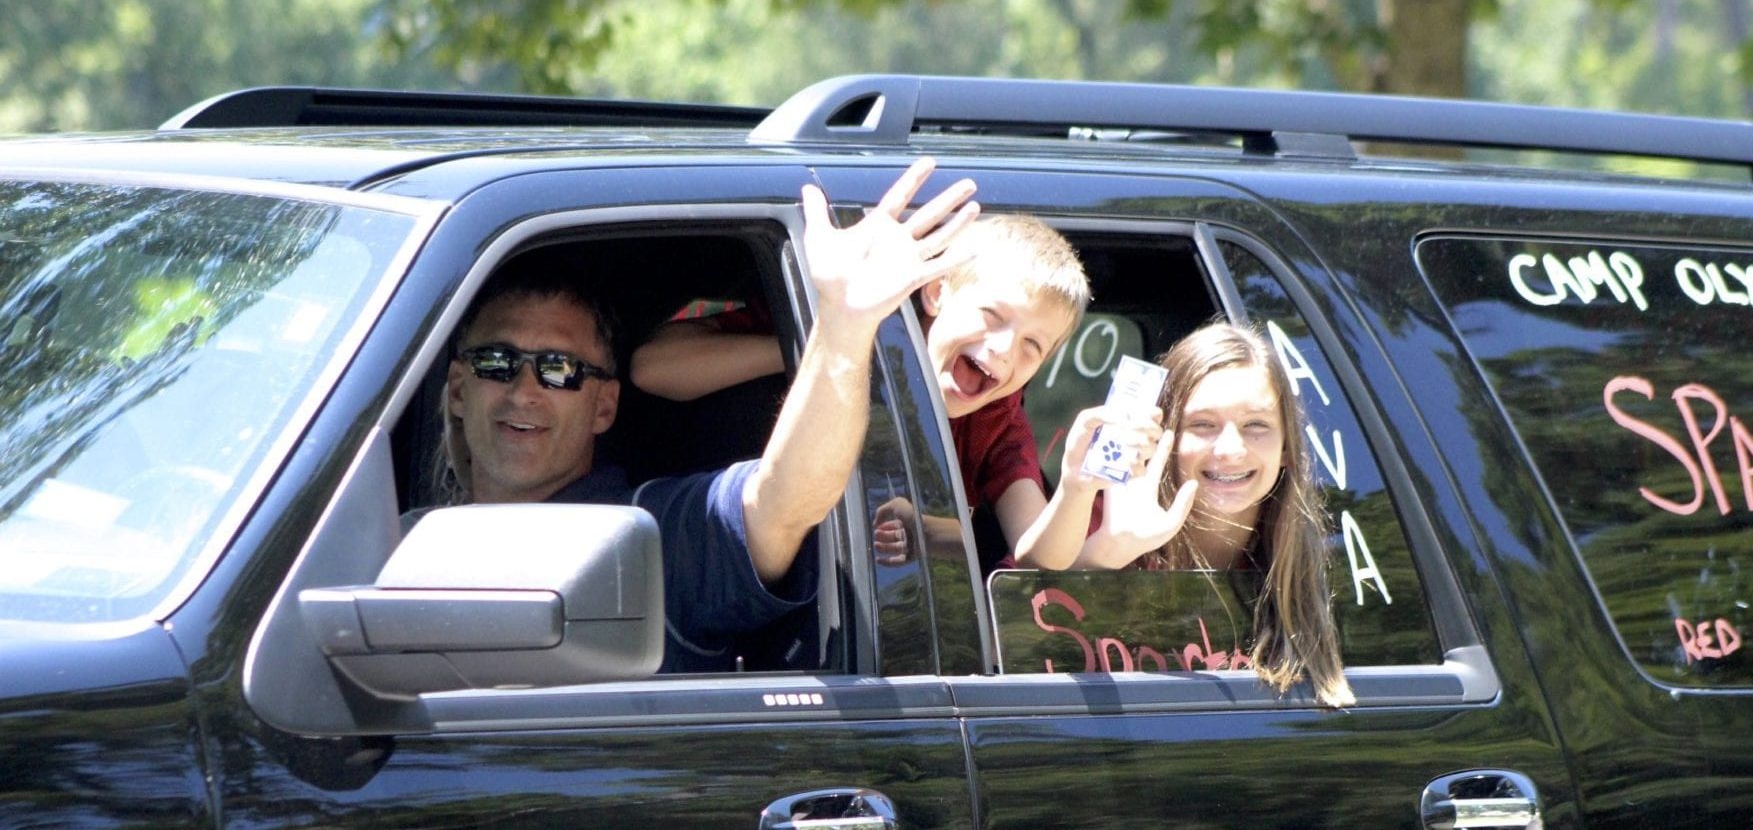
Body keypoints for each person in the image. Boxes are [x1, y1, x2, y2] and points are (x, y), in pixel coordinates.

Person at [438, 158, 978, 672]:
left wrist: (844, 326)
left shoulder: (653, 536)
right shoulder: (388, 536)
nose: (525, 389)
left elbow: (782, 502)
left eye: (560, 369)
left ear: (605, 406)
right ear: (459, 389)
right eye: (497, 362)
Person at [632, 210, 1159, 571]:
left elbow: (1038, 554)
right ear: (935, 292)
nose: (1002, 350)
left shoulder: (998, 419)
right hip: (725, 555)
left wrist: (1076, 487)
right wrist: (838, 341)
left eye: (1031, 346)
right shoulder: (834, 326)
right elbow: (651, 370)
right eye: (991, 316)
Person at [1072, 321, 1355, 707]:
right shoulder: (1102, 522)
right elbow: (1016, 633)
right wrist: (1105, 555)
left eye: (1256, 425)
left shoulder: (1330, 565)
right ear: (1161, 438)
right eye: (1202, 425)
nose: (1229, 449)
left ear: (1288, 446)